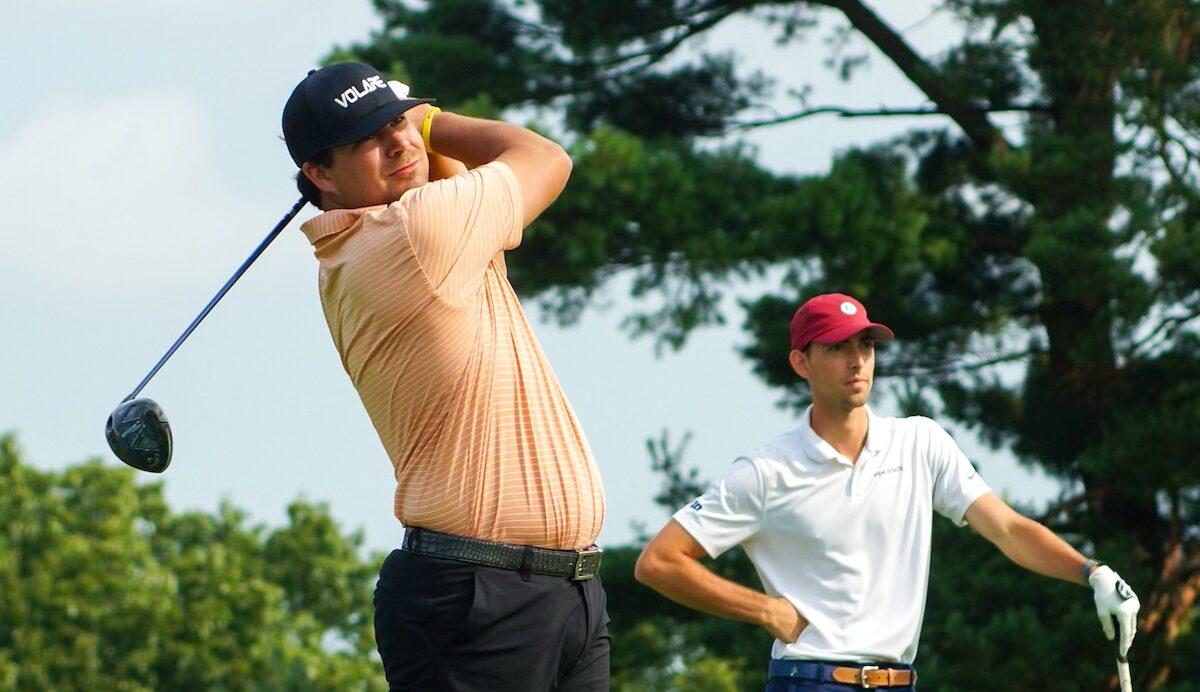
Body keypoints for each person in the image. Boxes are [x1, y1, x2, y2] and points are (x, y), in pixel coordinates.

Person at [280, 62, 608, 691]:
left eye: (396, 124)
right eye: (366, 139)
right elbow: (545, 157)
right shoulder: (411, 233)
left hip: (558, 592)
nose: (397, 143)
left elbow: (452, 179)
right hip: (476, 599)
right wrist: (429, 121)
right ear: (320, 173)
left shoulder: (396, 235)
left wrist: (405, 136)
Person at [634, 292, 1140, 690]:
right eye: (837, 348)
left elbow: (1007, 528)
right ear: (801, 363)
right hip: (810, 681)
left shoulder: (920, 442)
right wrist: (765, 610)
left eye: (866, 346)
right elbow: (659, 562)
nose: (857, 361)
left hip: (898, 682)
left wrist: (1091, 572)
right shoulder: (767, 471)